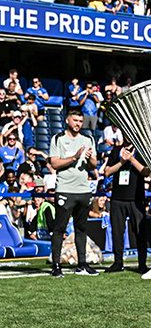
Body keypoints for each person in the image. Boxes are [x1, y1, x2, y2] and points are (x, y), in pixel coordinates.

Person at [47, 106, 98, 277]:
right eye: (75, 121)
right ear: (67, 120)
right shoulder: (58, 139)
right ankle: (56, 266)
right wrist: (74, 157)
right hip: (65, 189)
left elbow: (93, 166)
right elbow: (54, 164)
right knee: (59, 228)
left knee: (81, 228)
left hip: (83, 189)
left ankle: (82, 264)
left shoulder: (88, 139)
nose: (78, 124)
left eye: (80, 121)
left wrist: (90, 157)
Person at [103, 138, 149, 274]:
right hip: (117, 198)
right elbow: (107, 172)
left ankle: (142, 263)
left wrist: (132, 159)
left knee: (140, 232)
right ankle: (118, 262)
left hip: (136, 199)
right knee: (117, 232)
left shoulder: (141, 151)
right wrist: (122, 161)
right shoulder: (116, 151)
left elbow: (146, 172)